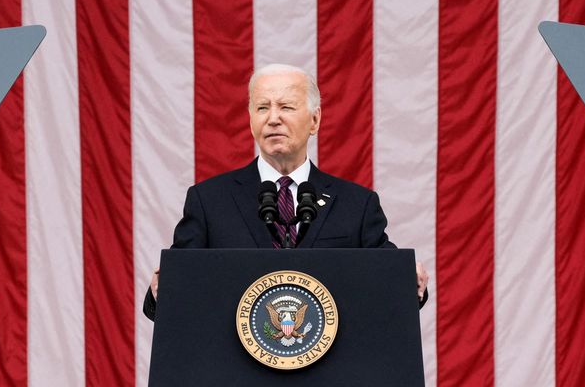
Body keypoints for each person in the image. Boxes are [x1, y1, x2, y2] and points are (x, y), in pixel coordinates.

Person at [143, 63, 429, 320]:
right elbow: (177, 289)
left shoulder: (357, 204)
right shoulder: (208, 201)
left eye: (286, 107)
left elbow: (390, 282)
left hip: (328, 374)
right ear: (251, 118)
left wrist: (411, 282)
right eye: (262, 107)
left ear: (315, 120)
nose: (273, 119)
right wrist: (162, 289)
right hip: (236, 375)